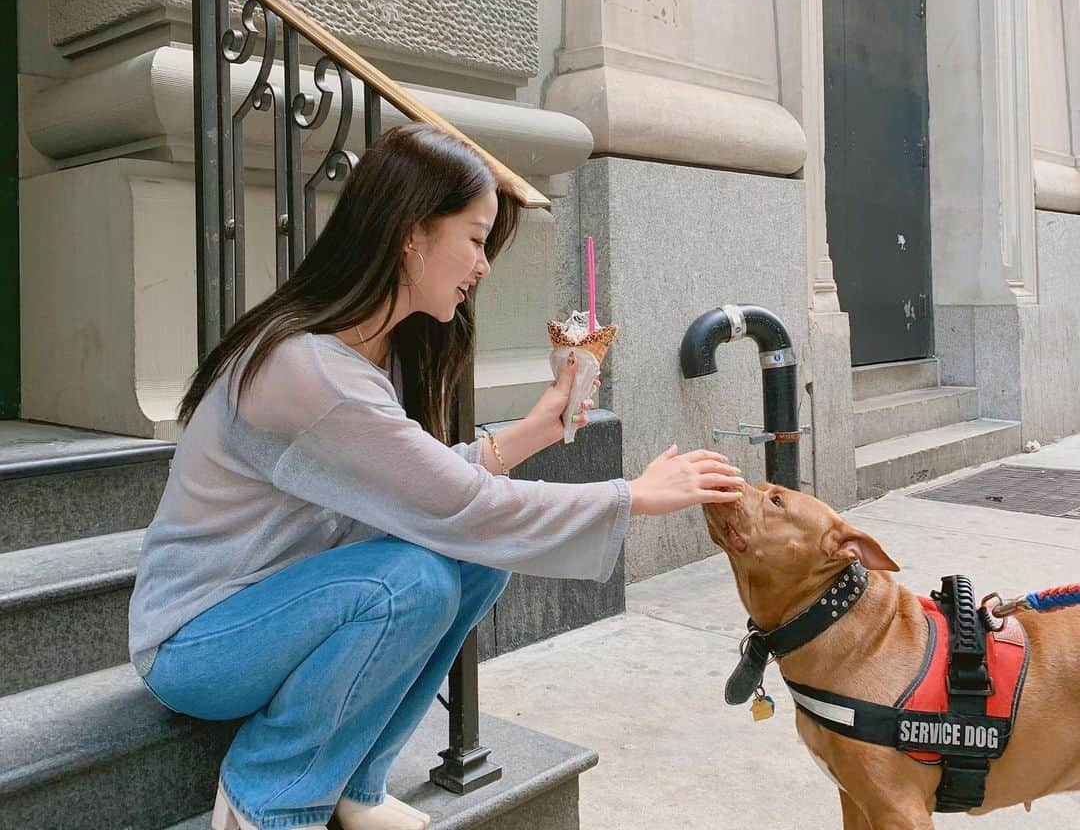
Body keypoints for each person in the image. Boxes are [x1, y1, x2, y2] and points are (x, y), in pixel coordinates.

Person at [128, 123, 743, 830]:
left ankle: (355, 785)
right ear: (410, 235)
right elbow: (457, 502)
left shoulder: (371, 355)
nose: (483, 266)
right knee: (412, 583)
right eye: (476, 240)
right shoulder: (306, 371)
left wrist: (543, 424)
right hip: (196, 643)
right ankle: (269, 796)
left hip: (281, 604)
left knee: (476, 564)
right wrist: (631, 497)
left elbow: (424, 488)